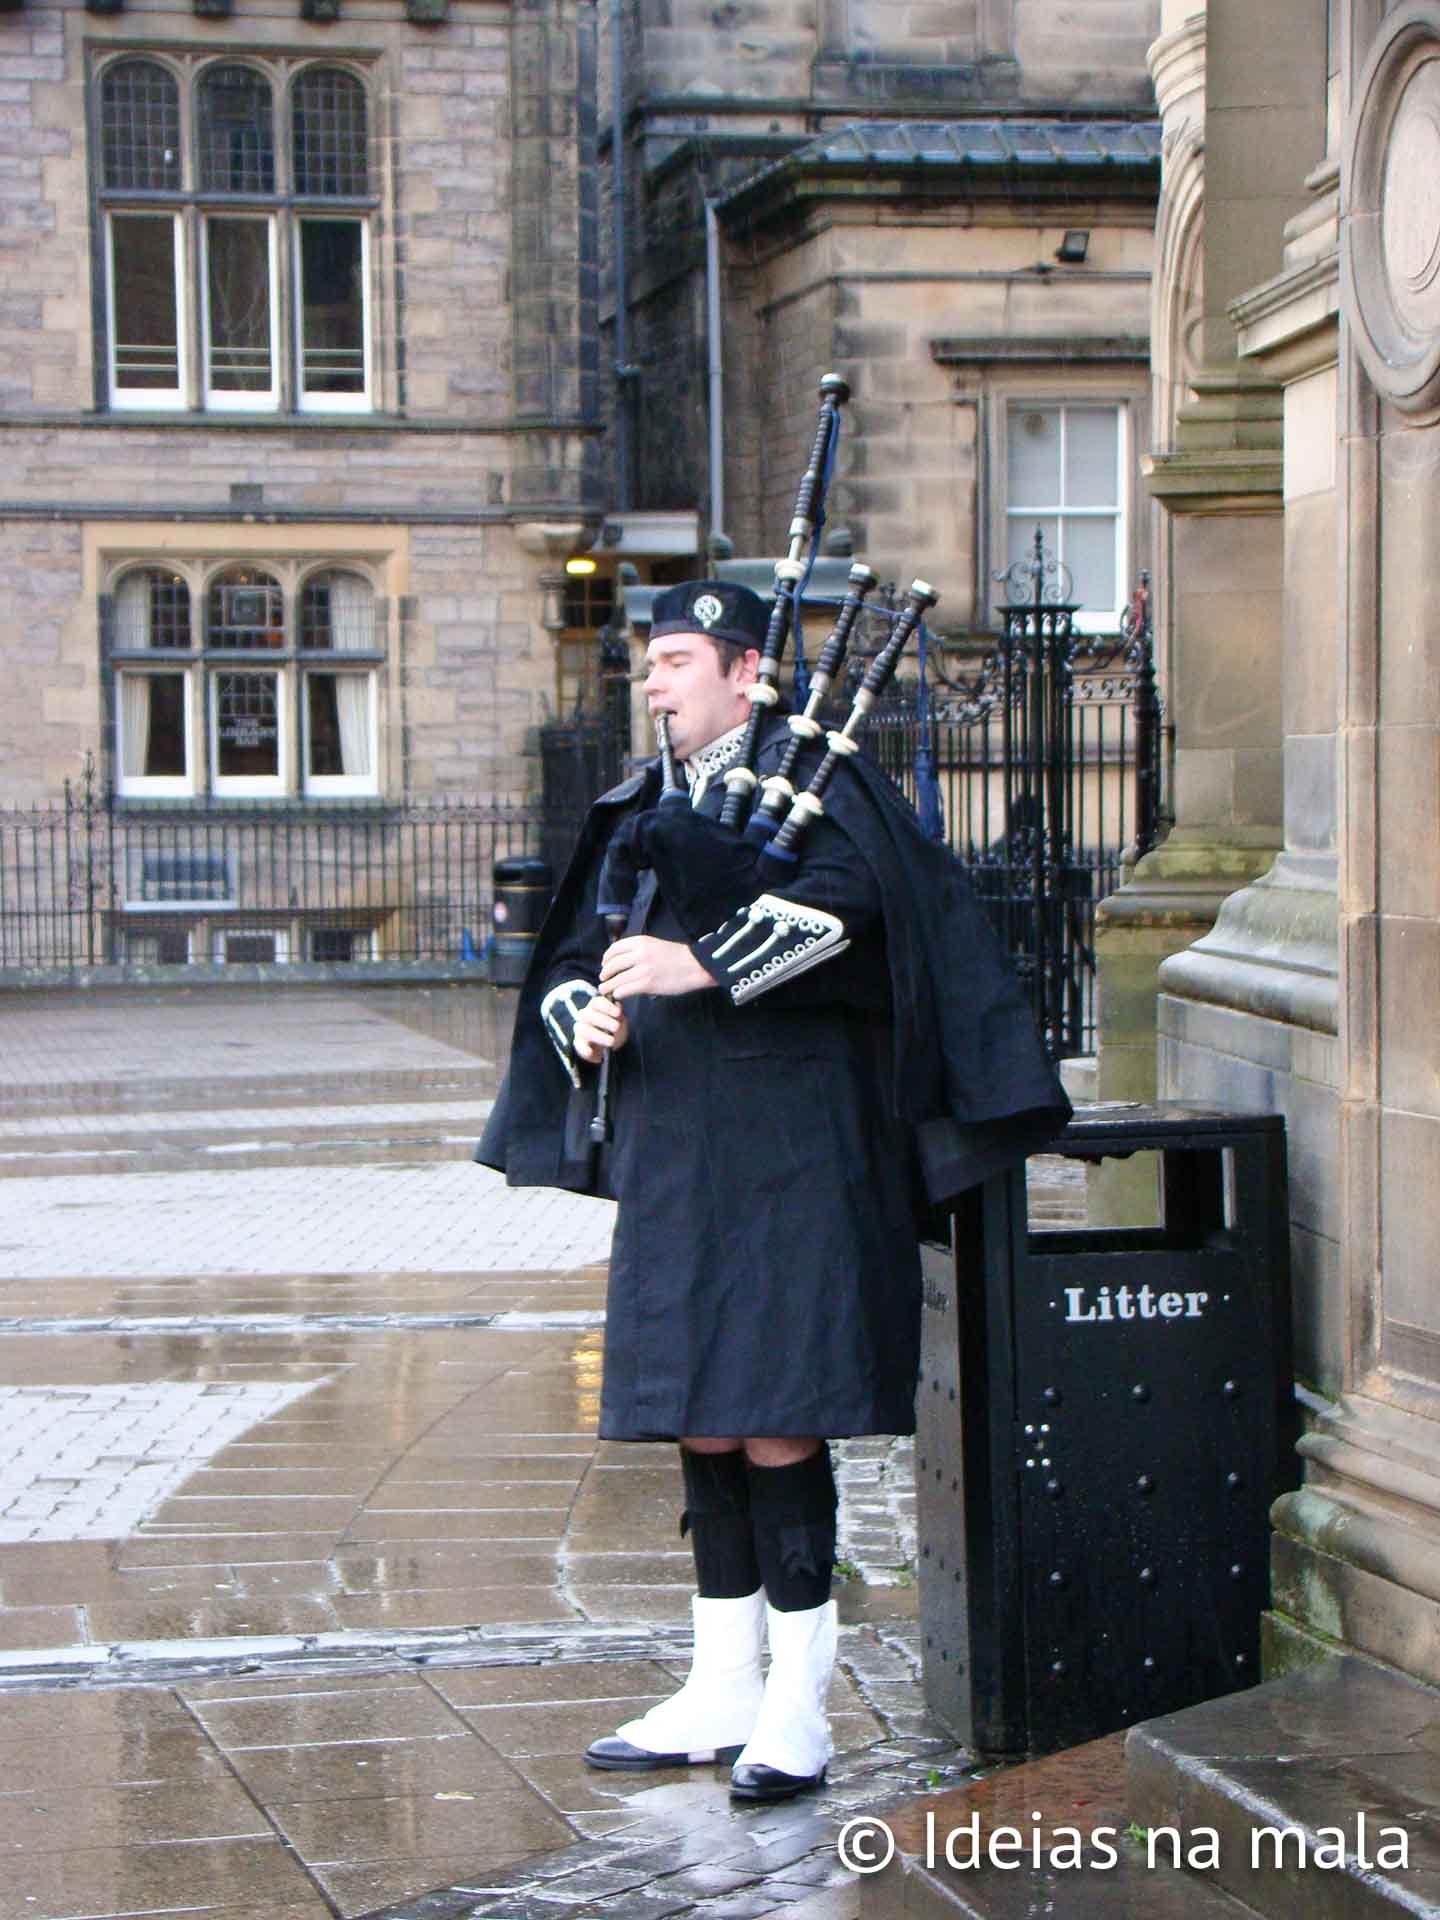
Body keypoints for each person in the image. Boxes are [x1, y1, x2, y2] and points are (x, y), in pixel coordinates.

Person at [478, 579, 1069, 1803]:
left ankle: (798, 1705)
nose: (654, 682)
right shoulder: (647, 797)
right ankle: (718, 1687)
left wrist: (702, 961)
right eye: (650, 664)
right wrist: (578, 1015)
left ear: (749, 672)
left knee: (779, 1414)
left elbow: (862, 921)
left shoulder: (824, 782)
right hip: (678, 1149)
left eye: (678, 660)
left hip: (800, 1147)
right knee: (696, 1409)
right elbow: (578, 952)